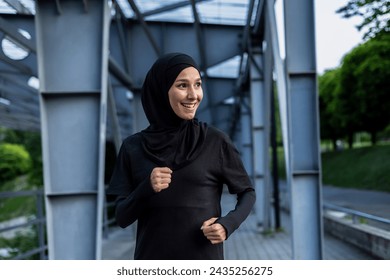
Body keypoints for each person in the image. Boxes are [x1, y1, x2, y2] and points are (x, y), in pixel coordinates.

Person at [106, 53, 255, 260]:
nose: (194, 95)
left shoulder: (215, 141)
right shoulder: (133, 147)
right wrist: (146, 188)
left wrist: (227, 224)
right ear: (160, 90)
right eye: (182, 85)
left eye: (198, 84)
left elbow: (247, 192)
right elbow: (122, 217)